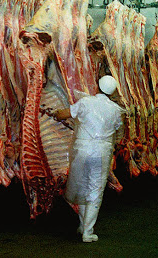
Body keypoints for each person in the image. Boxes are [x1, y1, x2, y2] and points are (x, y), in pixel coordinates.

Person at [53, 75, 123, 243]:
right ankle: (87, 230)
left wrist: (55, 113)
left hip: (82, 150)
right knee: (95, 190)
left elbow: (63, 114)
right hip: (102, 152)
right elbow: (119, 130)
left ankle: (84, 227)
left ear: (97, 87)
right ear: (112, 93)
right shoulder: (115, 109)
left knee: (81, 185)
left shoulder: (86, 102)